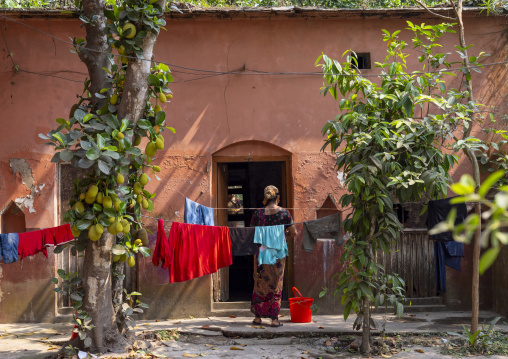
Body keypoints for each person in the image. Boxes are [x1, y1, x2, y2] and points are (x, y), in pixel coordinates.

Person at [250, 185, 297, 327]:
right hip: (277, 255)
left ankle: (258, 318)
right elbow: (293, 232)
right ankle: (274, 319)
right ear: (277, 198)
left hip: (261, 254)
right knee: (276, 284)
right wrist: (282, 236)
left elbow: (252, 231)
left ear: (266, 198)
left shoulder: (258, 214)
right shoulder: (284, 214)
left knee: (259, 283)